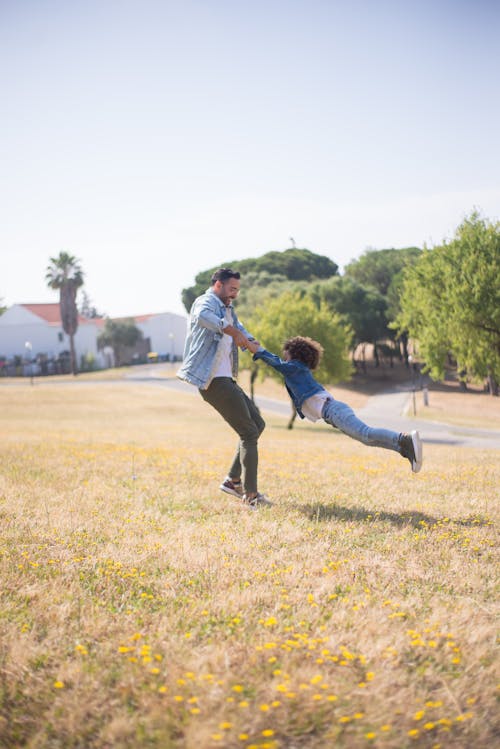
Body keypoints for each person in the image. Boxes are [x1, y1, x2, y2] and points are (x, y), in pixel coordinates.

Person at [246, 335, 423, 473]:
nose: (284, 355)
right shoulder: (297, 371)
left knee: (366, 434)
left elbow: (278, 364)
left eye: (286, 352)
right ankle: (405, 449)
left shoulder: (296, 367)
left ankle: (403, 439)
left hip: (334, 410)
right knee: (366, 439)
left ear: (294, 353)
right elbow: (280, 364)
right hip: (334, 413)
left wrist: (259, 350)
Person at [177, 268, 271, 507]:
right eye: (232, 289)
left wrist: (251, 341)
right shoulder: (205, 302)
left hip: (226, 378)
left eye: (237, 290)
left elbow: (240, 329)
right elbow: (204, 318)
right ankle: (251, 496)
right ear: (218, 285)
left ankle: (232, 481)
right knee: (248, 432)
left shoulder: (228, 308)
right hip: (212, 380)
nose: (235, 294)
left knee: (257, 424)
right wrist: (233, 331)